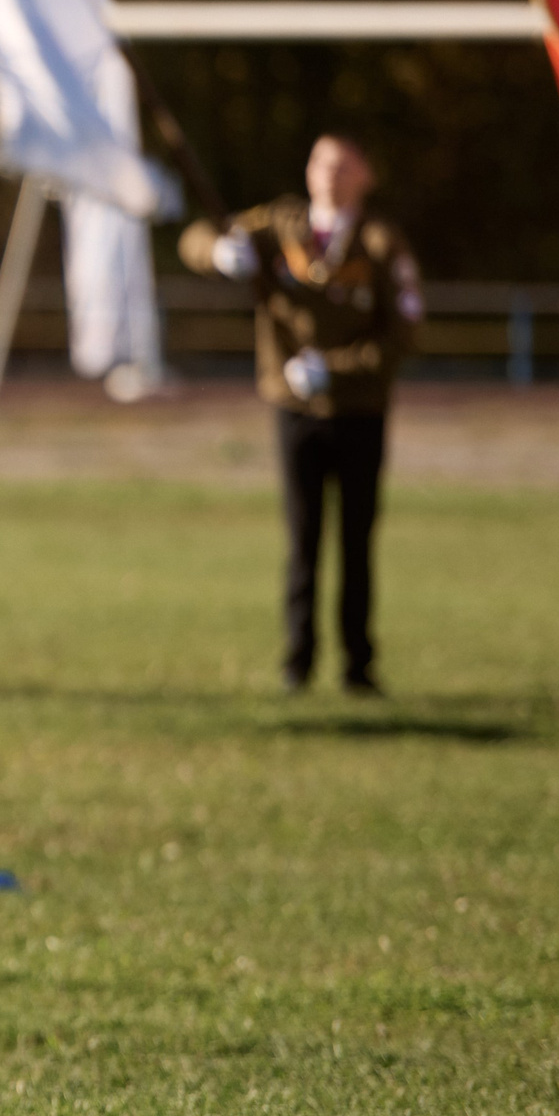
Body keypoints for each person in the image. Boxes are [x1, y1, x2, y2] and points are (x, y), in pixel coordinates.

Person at [181, 133, 420, 695]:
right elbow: (196, 237)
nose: (329, 174)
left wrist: (335, 369)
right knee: (302, 537)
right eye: (320, 162)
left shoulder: (382, 243)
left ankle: (358, 666)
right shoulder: (279, 227)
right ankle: (298, 661)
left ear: (365, 175)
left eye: (343, 165)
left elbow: (403, 332)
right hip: (293, 410)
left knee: (356, 541)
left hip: (359, 411)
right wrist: (218, 253)